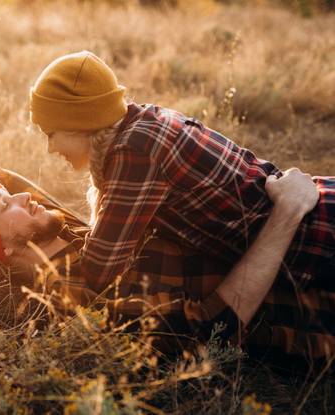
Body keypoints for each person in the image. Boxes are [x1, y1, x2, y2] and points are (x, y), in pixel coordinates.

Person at [28, 50, 335, 302]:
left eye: (51, 133)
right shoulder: (143, 122)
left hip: (317, 239)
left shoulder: (136, 151)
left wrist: (30, 260)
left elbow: (99, 270)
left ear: (80, 122)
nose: (51, 148)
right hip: (319, 211)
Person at [0, 167, 334, 361]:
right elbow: (213, 329)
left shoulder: (71, 233)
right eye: (5, 204)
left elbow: (0, 174)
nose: (25, 196)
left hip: (314, 226)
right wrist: (288, 211)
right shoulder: (80, 297)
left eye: (12, 194)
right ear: (3, 251)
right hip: (313, 299)